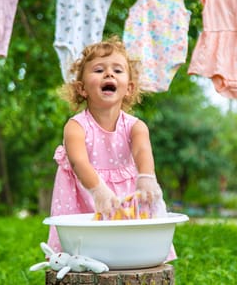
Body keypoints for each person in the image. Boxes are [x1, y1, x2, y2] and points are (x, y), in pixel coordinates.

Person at [47, 37, 169, 255]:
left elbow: (142, 151)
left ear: (129, 88)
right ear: (82, 89)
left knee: (128, 248)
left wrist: (146, 178)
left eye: (117, 70)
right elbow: (78, 161)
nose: (109, 74)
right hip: (83, 195)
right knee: (84, 248)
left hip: (125, 197)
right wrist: (98, 190)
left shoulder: (136, 127)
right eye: (99, 70)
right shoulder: (76, 126)